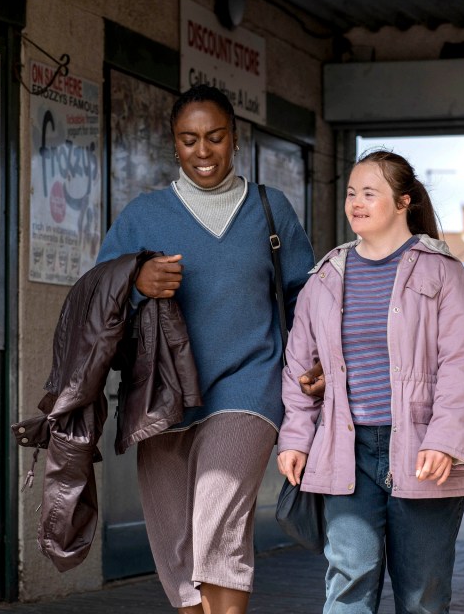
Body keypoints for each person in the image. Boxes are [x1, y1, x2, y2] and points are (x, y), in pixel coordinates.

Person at [96, 84, 314, 614]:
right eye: (189, 140)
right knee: (175, 544)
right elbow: (95, 298)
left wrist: (316, 360)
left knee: (218, 521)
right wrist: (135, 279)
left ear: (234, 139)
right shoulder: (144, 215)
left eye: (214, 137)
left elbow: (306, 294)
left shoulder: (270, 209)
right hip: (164, 394)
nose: (202, 151)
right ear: (174, 144)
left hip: (248, 385)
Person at [277, 150, 464, 613]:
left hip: (422, 450)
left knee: (423, 592)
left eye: (370, 193)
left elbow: (460, 365)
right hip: (346, 449)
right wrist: (295, 439)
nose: (356, 202)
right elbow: (298, 366)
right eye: (352, 193)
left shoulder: (441, 271)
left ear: (402, 202)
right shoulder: (325, 277)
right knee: (349, 579)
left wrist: (445, 440)